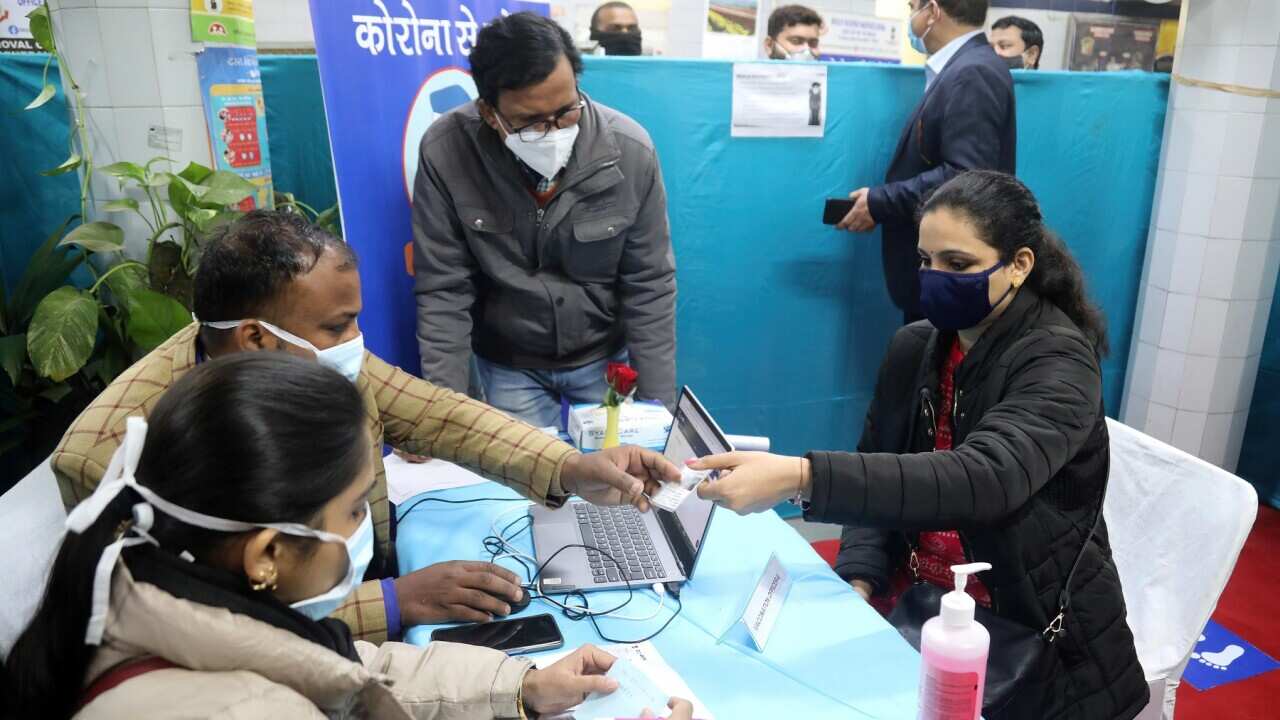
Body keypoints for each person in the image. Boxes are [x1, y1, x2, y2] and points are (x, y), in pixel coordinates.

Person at [52, 209, 681, 646]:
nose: (356, 344)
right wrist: (389, 603)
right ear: (254, 338)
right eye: (337, 327)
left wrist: (569, 466)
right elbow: (176, 614)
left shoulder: (301, 354)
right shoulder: (111, 455)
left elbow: (439, 414)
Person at [6, 353, 695, 719]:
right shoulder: (244, 710)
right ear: (268, 554)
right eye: (350, 512)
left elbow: (350, 673)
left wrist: (524, 686)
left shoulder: (145, 579)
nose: (365, 527)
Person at [692, 173, 1148, 718]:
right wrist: (860, 580)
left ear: (1021, 265)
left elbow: (984, 478)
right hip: (911, 606)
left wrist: (802, 476)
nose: (934, 279)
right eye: (926, 261)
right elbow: (878, 477)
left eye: (958, 265)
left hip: (1027, 639)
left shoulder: (1059, 362)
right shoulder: (916, 348)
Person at [413, 12, 676, 427]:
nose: (553, 131)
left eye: (566, 111)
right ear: (489, 112)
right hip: (508, 364)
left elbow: (650, 284)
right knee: (522, 487)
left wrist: (657, 411)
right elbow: (444, 288)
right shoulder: (446, 152)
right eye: (530, 123)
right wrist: (444, 414)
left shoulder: (630, 150)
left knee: (619, 481)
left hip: (603, 357)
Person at [838, 0, 1015, 324]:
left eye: (912, 7)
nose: (911, 18)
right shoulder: (961, 68)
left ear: (932, 12)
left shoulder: (972, 72)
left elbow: (966, 176)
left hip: (949, 268)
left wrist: (879, 202)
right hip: (941, 267)